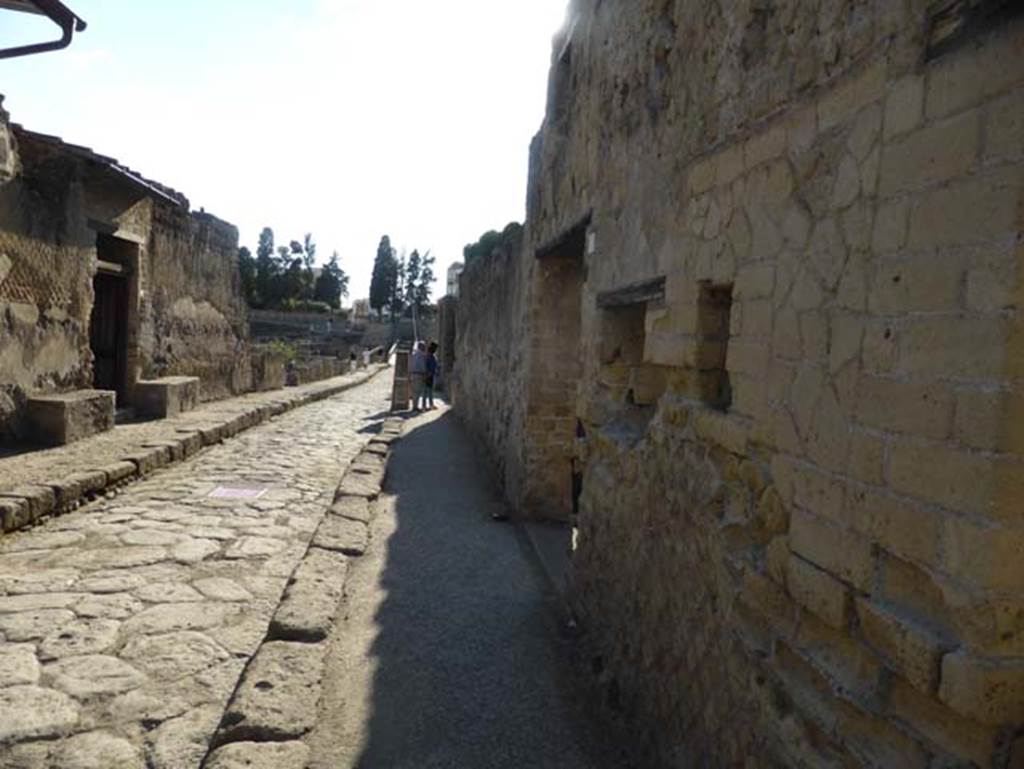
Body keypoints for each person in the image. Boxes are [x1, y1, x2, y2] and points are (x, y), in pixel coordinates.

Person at [409, 341, 427, 411]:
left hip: (412, 374)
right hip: (419, 374)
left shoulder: (413, 354)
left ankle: (414, 405)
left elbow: (410, 364)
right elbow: (422, 366)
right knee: (417, 391)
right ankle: (415, 407)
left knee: (413, 391)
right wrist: (425, 373)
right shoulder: (422, 355)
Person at [424, 341, 439, 410]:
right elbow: (428, 366)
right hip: (429, 375)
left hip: (429, 375)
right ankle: (428, 405)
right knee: (428, 391)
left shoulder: (429, 356)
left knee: (428, 391)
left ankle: (429, 405)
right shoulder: (430, 356)